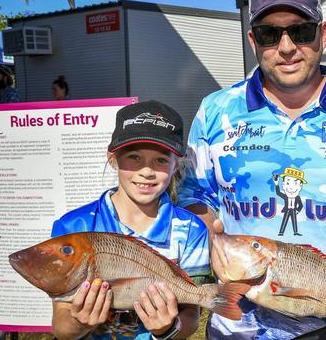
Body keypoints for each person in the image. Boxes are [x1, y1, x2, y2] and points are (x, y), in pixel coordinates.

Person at [178, 0, 326, 338]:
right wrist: (214, 251)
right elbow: (196, 200)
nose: (286, 47)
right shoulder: (216, 111)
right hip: (238, 328)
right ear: (253, 41)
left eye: (301, 31)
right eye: (269, 33)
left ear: (322, 35)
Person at [50, 100, 210, 340]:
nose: (146, 171)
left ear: (176, 164)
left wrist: (166, 330)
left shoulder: (191, 229)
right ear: (112, 158)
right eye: (134, 157)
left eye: (161, 160)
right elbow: (61, 326)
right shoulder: (74, 228)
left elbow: (190, 317)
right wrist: (78, 322)